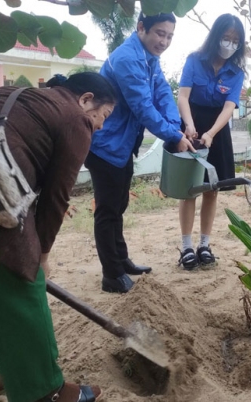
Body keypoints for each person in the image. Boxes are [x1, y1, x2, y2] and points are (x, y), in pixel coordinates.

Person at [0, 72, 116, 402]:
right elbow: (56, 198)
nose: (101, 126)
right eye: (103, 116)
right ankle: (46, 391)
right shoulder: (75, 120)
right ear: (86, 99)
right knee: (23, 280)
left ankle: (0, 373)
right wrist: (41, 258)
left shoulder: (22, 95)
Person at [86, 12, 194, 292]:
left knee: (119, 205)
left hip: (123, 146)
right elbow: (143, 106)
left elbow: (162, 94)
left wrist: (176, 127)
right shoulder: (126, 59)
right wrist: (174, 136)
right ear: (141, 28)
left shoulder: (149, 58)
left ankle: (121, 260)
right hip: (105, 144)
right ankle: (111, 275)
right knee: (108, 210)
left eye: (169, 36)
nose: (164, 41)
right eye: (160, 33)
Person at [176, 14, 246, 270]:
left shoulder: (236, 72)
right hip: (191, 124)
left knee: (211, 188)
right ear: (216, 36)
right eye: (226, 38)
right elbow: (183, 96)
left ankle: (205, 244)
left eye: (235, 40)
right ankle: (185, 246)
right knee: (190, 188)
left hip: (217, 129)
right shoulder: (195, 60)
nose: (230, 44)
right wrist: (190, 126)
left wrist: (211, 134)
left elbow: (229, 108)